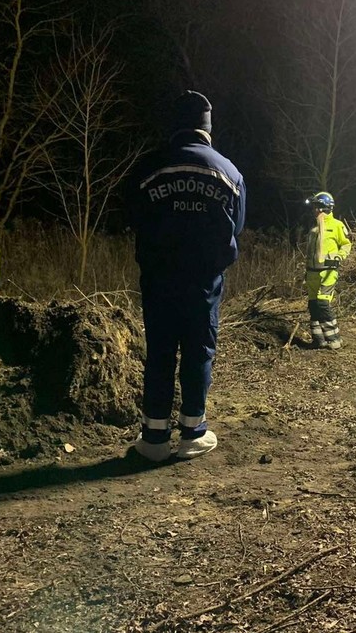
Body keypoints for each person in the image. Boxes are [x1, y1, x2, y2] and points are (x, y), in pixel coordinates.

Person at [129, 90, 246, 461]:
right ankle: (193, 433)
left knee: (160, 352)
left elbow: (133, 216)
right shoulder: (229, 172)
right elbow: (237, 226)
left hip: (159, 279)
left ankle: (154, 438)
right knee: (198, 352)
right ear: (207, 128)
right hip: (203, 282)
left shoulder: (148, 168)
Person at [304, 191, 352, 349]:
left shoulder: (337, 225)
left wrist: (339, 256)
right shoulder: (313, 229)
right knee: (313, 305)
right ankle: (318, 339)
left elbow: (346, 244)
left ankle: (334, 339)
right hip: (312, 272)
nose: (314, 210)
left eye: (316, 207)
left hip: (328, 271)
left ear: (325, 207)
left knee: (323, 303)